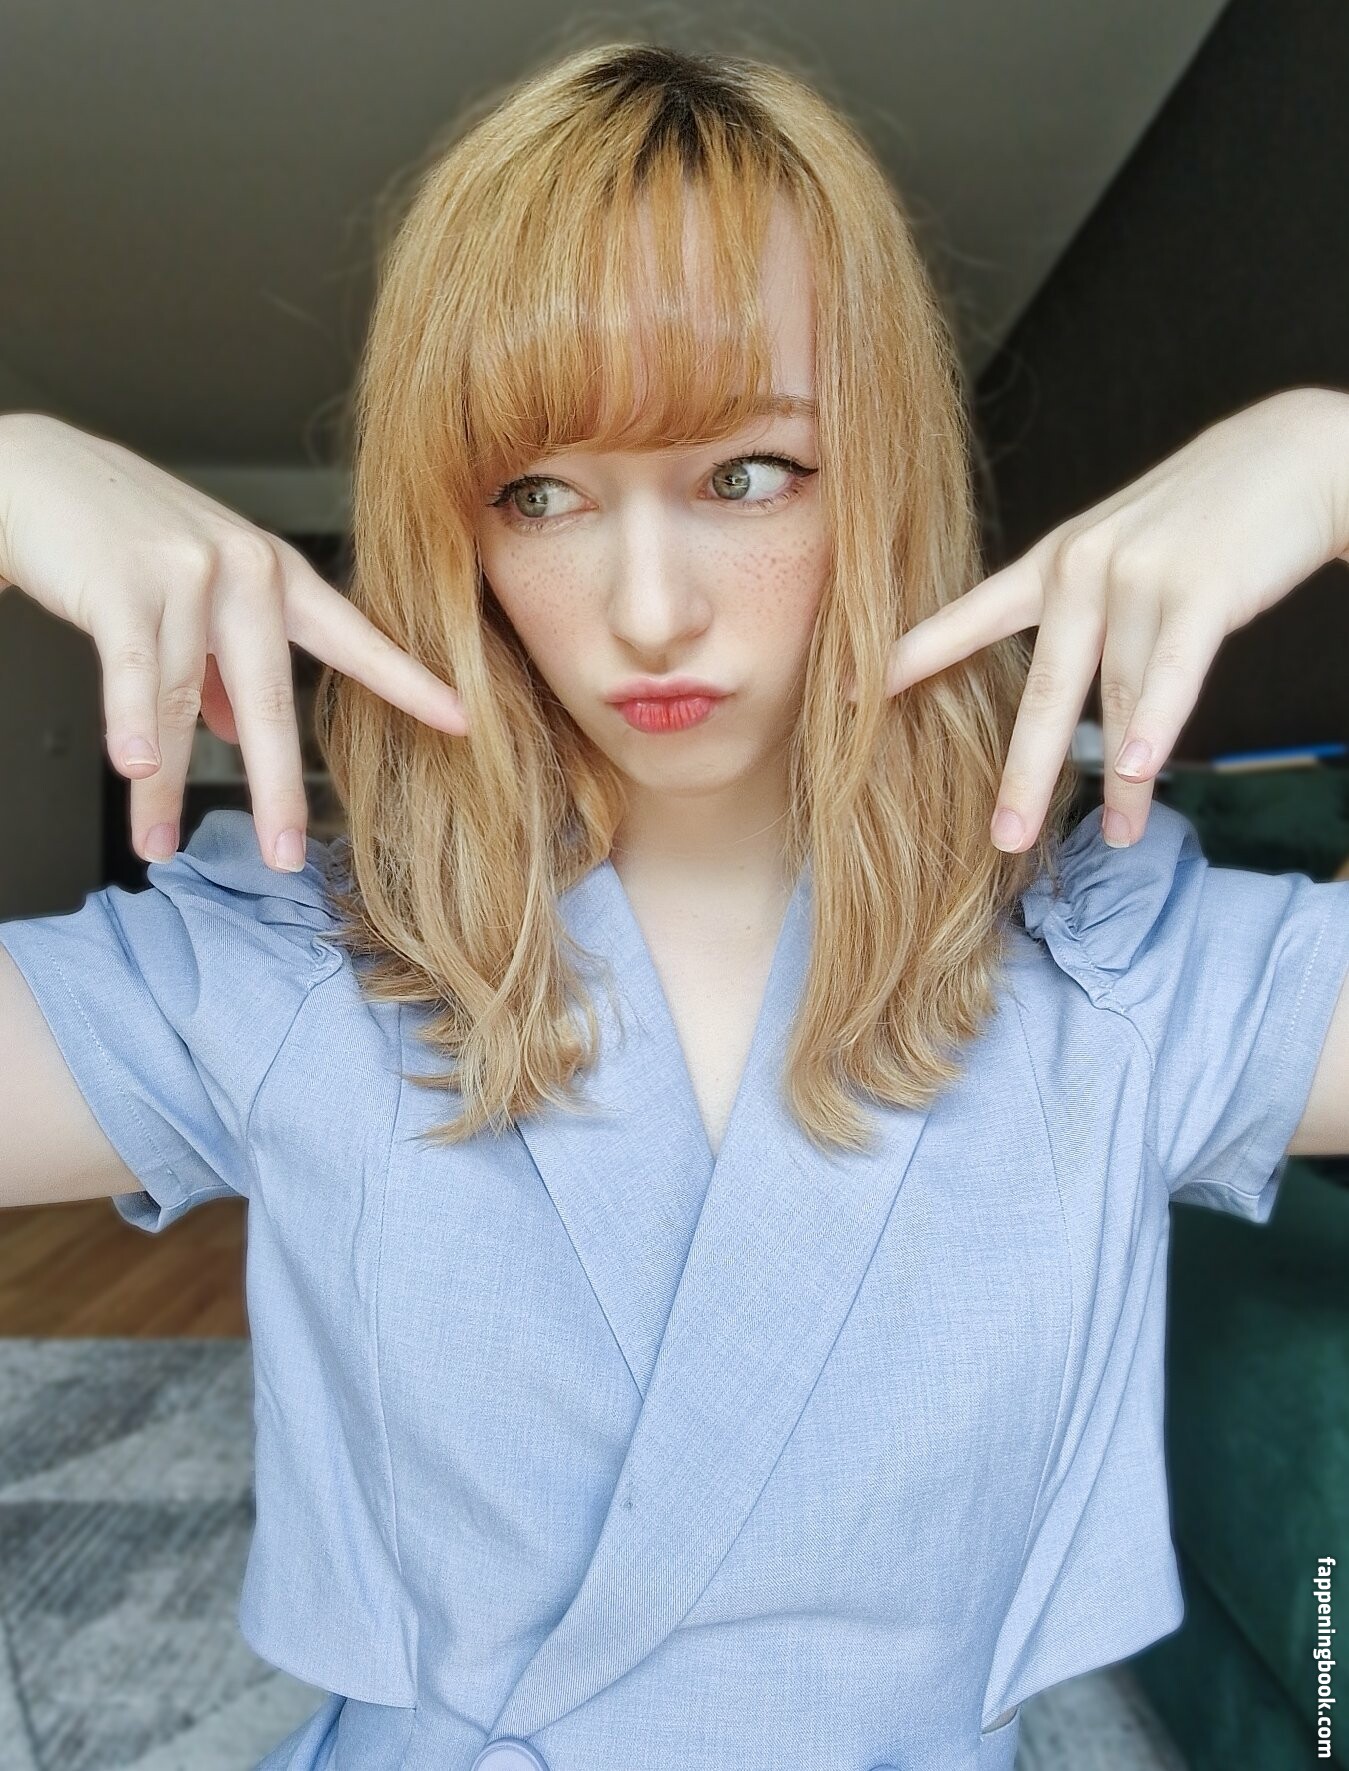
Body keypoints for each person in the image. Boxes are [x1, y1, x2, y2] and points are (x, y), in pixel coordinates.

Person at [1, 39, 1347, 1771]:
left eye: (746, 473)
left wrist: (1328, 460)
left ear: (884, 476)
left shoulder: (1128, 991)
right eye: (539, 493)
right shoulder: (285, 976)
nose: (647, 609)